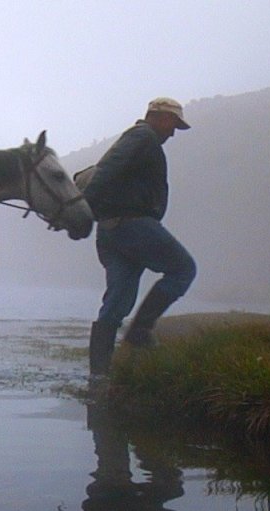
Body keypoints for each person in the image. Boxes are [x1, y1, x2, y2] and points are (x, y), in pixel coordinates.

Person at [83, 97, 198, 376]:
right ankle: (141, 330)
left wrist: (87, 210)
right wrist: (84, 205)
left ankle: (99, 377)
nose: (173, 132)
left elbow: (107, 170)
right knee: (183, 269)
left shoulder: (139, 139)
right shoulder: (143, 137)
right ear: (159, 117)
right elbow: (107, 170)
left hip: (111, 230)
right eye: (173, 124)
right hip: (132, 225)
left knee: (117, 302)